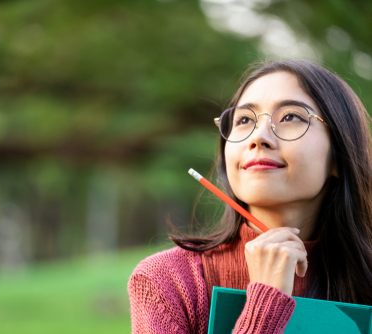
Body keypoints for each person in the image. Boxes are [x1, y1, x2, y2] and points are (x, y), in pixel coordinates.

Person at [127, 60, 372, 333]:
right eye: (244, 120)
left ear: (339, 154)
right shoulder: (168, 281)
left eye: (291, 116)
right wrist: (266, 302)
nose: (259, 137)